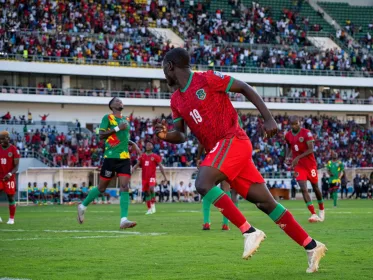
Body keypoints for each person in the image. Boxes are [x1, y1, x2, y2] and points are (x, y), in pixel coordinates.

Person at [155, 48, 326, 273]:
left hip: (233, 140)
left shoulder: (207, 79)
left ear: (170, 66)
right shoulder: (176, 99)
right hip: (223, 152)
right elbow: (181, 133)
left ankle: (249, 231)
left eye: (162, 68)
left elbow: (244, 87)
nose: (163, 74)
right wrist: (166, 136)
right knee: (266, 203)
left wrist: (268, 118)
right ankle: (312, 246)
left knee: (202, 183)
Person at [77, 97, 141, 229]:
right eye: (116, 101)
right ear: (111, 106)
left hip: (124, 157)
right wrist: (117, 128)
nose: (120, 102)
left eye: (121, 101)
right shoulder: (108, 118)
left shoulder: (125, 120)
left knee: (124, 186)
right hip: (110, 156)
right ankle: (82, 206)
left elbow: (123, 139)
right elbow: (101, 135)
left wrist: (133, 143)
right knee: (101, 188)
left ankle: (123, 219)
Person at [285, 116, 325, 223]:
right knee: (303, 188)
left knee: (315, 187)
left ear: (300, 123)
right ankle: (313, 213)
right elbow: (289, 146)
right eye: (292, 124)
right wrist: (287, 156)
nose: (294, 126)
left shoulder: (306, 133)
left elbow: (311, 149)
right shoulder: (288, 135)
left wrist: (298, 157)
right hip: (299, 166)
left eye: (296, 124)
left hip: (310, 165)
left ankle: (321, 209)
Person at [197, 142, 238, 230]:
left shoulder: (208, 131)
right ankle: (225, 224)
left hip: (210, 161)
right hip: (224, 160)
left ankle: (206, 223)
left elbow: (201, 144)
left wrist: (198, 158)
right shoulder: (223, 132)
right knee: (226, 188)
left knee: (207, 189)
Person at [133, 141, 167, 214]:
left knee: (151, 188)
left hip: (152, 176)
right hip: (144, 178)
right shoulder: (142, 156)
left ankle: (153, 203)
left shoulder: (155, 156)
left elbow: (161, 166)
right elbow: (137, 165)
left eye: (150, 144)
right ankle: (149, 209)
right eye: (147, 144)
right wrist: (132, 170)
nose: (148, 145)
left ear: (152, 147)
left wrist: (165, 176)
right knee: (147, 193)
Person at [0, 131, 20, 224]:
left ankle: (11, 219)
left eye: (4, 138)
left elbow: (16, 167)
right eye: (1, 138)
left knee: (10, 197)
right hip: (0, 177)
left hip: (9, 177)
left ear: (8, 138)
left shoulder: (14, 149)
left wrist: (10, 174)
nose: (3, 140)